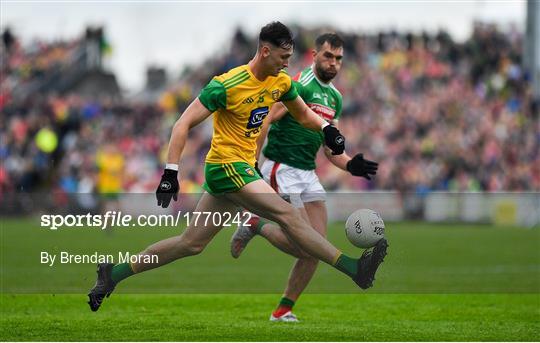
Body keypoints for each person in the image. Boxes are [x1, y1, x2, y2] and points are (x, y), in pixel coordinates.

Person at [88, 22, 387, 312]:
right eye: (283, 58)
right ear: (265, 51)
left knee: (190, 243)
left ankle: (112, 274)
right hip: (225, 167)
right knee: (287, 214)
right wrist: (170, 173)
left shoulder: (280, 82)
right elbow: (182, 124)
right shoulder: (226, 84)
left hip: (241, 170)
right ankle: (354, 268)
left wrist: (326, 129)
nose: (286, 65)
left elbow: (304, 114)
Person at [230, 33, 380, 322]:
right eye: (328, 56)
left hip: (308, 173)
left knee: (317, 246)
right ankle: (256, 223)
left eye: (338, 58)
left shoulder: (335, 97)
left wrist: (350, 165)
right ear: (314, 55)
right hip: (281, 168)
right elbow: (264, 120)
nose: (333, 62)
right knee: (305, 244)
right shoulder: (297, 85)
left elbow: (330, 149)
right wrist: (253, 162)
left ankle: (283, 309)